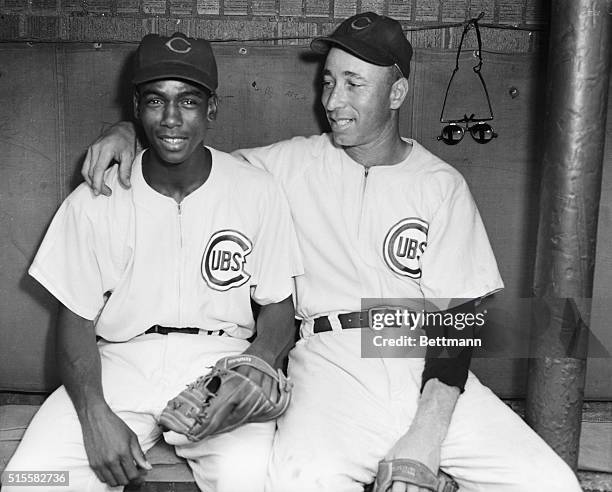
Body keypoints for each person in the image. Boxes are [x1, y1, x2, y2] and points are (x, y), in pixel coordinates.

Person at [80, 13, 582, 492]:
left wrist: (426, 435)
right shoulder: (288, 163)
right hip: (328, 364)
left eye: (353, 84)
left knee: (549, 483)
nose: (333, 100)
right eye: (328, 82)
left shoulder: (440, 184)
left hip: (424, 364)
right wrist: (124, 129)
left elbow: (461, 317)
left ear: (397, 91)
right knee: (298, 483)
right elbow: (185, 158)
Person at [5, 32, 302, 492]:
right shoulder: (97, 197)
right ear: (137, 108)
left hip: (220, 363)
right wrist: (94, 415)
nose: (170, 118)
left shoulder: (256, 190)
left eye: (187, 101)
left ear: (212, 109)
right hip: (120, 362)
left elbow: (279, 305)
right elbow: (75, 319)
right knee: (31, 480)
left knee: (254, 481)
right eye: (154, 101)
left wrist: (254, 365)